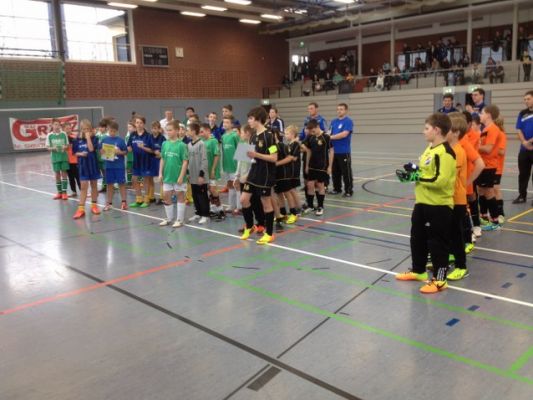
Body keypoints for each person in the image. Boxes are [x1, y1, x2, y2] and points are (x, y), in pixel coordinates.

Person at [396, 113, 456, 294]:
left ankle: (440, 280)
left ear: (436, 130)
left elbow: (440, 181)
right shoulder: (429, 149)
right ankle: (418, 270)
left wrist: (416, 177)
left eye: (426, 128)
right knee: (417, 238)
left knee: (437, 244)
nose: (424, 132)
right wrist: (414, 171)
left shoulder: (446, 153)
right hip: (422, 202)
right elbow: (426, 172)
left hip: (438, 206)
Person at [240, 106, 278, 244]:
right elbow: (251, 158)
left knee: (266, 203)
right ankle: (250, 226)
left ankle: (269, 234)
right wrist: (246, 173)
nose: (249, 121)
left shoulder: (269, 136)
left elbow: (274, 158)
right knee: (244, 200)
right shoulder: (253, 136)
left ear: (258, 119)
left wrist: (256, 154)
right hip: (254, 173)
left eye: (251, 118)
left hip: (265, 174)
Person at [477, 105, 504, 230]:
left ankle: (495, 221)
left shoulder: (493, 129)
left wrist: (474, 146)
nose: (480, 115)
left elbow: (488, 149)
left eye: (482, 113)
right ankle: (484, 217)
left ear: (488, 115)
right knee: (481, 190)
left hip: (489, 165)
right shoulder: (486, 129)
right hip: (484, 164)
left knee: (488, 192)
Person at [235, 124, 265, 234]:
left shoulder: (254, 147)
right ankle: (249, 224)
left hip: (252, 179)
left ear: (247, 133)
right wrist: (237, 177)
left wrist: (247, 175)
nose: (240, 134)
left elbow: (254, 165)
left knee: (255, 201)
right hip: (243, 179)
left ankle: (261, 223)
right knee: (244, 202)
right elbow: (239, 163)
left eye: (242, 132)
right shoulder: (242, 146)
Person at [159, 121, 189, 228]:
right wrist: (160, 173)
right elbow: (162, 159)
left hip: (178, 177)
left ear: (177, 131)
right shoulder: (164, 144)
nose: (168, 132)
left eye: (170, 130)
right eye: (167, 130)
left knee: (180, 196)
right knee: (166, 195)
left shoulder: (182, 145)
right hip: (167, 176)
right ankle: (169, 218)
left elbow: (185, 161)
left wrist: (181, 176)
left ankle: (180, 219)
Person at [301, 119, 333, 216]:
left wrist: (330, 166)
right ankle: (311, 206)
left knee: (320, 185)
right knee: (310, 185)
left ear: (318, 127)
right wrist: (307, 165)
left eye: (313, 131)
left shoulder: (326, 137)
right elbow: (308, 151)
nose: (312, 133)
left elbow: (331, 151)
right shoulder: (311, 136)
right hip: (312, 166)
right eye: (310, 131)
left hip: (322, 166)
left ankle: (320, 206)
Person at [72, 119, 101, 219]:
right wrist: (81, 154)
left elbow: (91, 149)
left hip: (92, 165)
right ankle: (81, 209)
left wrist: (88, 138)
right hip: (83, 166)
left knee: (94, 185)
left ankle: (94, 205)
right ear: (81, 129)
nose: (86, 131)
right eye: (84, 129)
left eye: (88, 129)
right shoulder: (76, 139)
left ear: (91, 129)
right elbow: (75, 152)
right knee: (84, 186)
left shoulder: (95, 138)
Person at [100, 121, 128, 211]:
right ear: (108, 129)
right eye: (110, 131)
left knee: (121, 184)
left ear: (117, 131)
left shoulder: (120, 140)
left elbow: (126, 152)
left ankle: (124, 202)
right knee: (109, 184)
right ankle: (109, 203)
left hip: (119, 166)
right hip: (109, 166)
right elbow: (100, 151)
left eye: (114, 131)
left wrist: (120, 152)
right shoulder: (104, 140)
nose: (112, 133)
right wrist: (102, 152)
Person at [127, 115, 153, 208]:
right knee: (134, 179)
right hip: (136, 161)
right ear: (135, 124)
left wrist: (143, 147)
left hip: (146, 161)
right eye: (137, 122)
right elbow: (129, 146)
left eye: (141, 123)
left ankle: (146, 199)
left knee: (146, 180)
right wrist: (127, 149)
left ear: (144, 124)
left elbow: (152, 150)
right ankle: (139, 199)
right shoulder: (132, 135)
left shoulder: (148, 136)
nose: (139, 124)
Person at [199, 123, 224, 220]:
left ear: (208, 131)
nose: (200, 134)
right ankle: (213, 209)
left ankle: (220, 210)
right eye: (200, 132)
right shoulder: (201, 141)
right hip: (204, 171)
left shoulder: (213, 141)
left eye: (202, 132)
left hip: (212, 170)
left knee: (213, 189)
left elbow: (216, 155)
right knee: (209, 189)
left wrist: (213, 169)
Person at [187, 123, 210, 224]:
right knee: (195, 195)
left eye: (188, 130)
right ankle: (198, 213)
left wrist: (201, 175)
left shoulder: (201, 144)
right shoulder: (188, 145)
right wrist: (188, 173)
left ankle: (205, 215)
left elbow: (204, 160)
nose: (187, 132)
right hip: (192, 175)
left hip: (200, 176)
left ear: (193, 131)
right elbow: (188, 161)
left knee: (202, 195)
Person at [329, 103, 354, 197]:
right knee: (335, 172)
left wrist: (331, 137)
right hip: (333, 151)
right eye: (338, 109)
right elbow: (329, 132)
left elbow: (344, 134)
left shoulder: (348, 121)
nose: (339, 111)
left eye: (341, 109)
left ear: (346, 110)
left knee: (346, 172)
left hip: (344, 151)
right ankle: (337, 189)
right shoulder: (333, 121)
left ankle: (348, 190)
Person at [513, 90, 533, 204]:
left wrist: (530, 141)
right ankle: (522, 195)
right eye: (525, 99)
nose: (526, 101)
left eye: (528, 99)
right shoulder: (522, 113)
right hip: (524, 149)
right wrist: (524, 142)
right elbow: (519, 129)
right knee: (523, 174)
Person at [46, 118, 69, 200]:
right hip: (55, 157)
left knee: (64, 173)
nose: (57, 126)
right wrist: (53, 148)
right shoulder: (49, 135)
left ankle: (64, 192)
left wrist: (64, 147)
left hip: (63, 157)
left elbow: (67, 145)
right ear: (52, 125)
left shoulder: (64, 134)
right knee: (57, 175)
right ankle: (59, 192)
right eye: (55, 124)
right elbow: (48, 147)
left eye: (58, 124)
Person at [220, 116, 240, 214]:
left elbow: (240, 149)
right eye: (224, 122)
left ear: (232, 124)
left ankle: (239, 207)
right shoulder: (223, 136)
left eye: (227, 122)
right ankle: (231, 206)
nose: (225, 124)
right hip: (226, 165)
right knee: (230, 186)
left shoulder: (235, 136)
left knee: (237, 186)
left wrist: (239, 166)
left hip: (234, 166)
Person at [493, 117, 507, 223]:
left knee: (496, 189)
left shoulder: (501, 135)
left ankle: (501, 214)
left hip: (497, 167)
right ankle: (494, 213)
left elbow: (502, 151)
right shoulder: (493, 134)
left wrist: (490, 147)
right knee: (490, 190)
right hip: (491, 166)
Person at [150, 121, 166, 204]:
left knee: (161, 179)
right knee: (150, 178)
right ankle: (151, 196)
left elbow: (165, 150)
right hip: (151, 160)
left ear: (159, 129)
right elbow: (147, 147)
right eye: (153, 128)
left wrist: (161, 154)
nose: (154, 130)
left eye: (156, 128)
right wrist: (153, 151)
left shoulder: (163, 138)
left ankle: (162, 197)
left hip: (160, 161)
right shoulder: (149, 137)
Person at [64, 121, 80, 197]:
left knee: (78, 176)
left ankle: (83, 190)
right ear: (64, 129)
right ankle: (74, 191)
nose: (68, 130)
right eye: (67, 128)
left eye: (69, 128)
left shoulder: (74, 137)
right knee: (71, 177)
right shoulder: (63, 138)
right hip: (67, 161)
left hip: (75, 160)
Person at [95, 119, 109, 193]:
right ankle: (105, 185)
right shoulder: (97, 135)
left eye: (102, 127)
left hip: (105, 157)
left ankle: (106, 186)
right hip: (98, 156)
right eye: (100, 127)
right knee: (102, 172)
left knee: (106, 171)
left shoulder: (107, 136)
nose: (101, 128)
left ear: (106, 128)